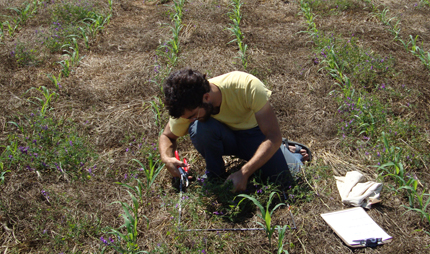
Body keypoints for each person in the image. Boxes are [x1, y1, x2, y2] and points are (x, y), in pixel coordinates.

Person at [158, 69, 310, 192]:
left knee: (292, 181)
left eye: (192, 116)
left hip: (255, 136)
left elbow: (273, 136)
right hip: (226, 137)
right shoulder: (187, 106)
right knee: (200, 128)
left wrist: (245, 172)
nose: (189, 121)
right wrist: (167, 158)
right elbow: (167, 136)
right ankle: (215, 175)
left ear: (206, 97)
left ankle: (289, 151)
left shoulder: (245, 86)